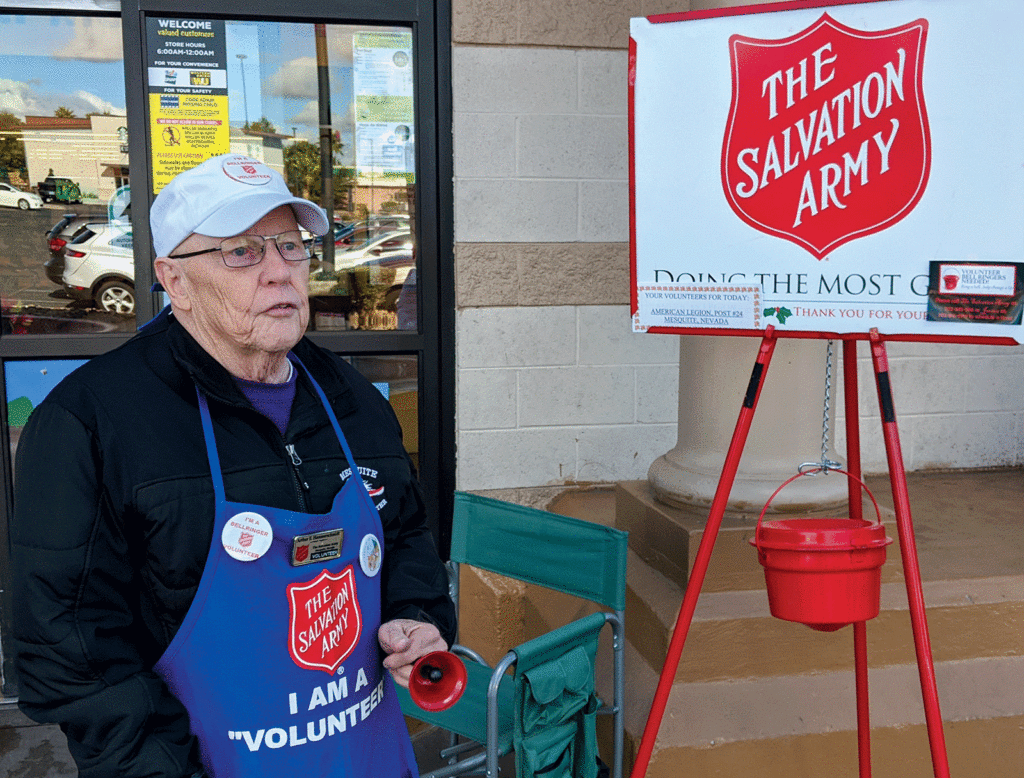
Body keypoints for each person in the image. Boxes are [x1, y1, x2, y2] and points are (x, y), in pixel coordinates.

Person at [12, 153, 456, 778]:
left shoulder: (352, 400)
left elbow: (405, 533)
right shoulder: (91, 422)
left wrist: (416, 614)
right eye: (242, 252)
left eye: (290, 246)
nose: (280, 273)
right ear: (176, 281)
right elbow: (72, 654)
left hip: (367, 757)